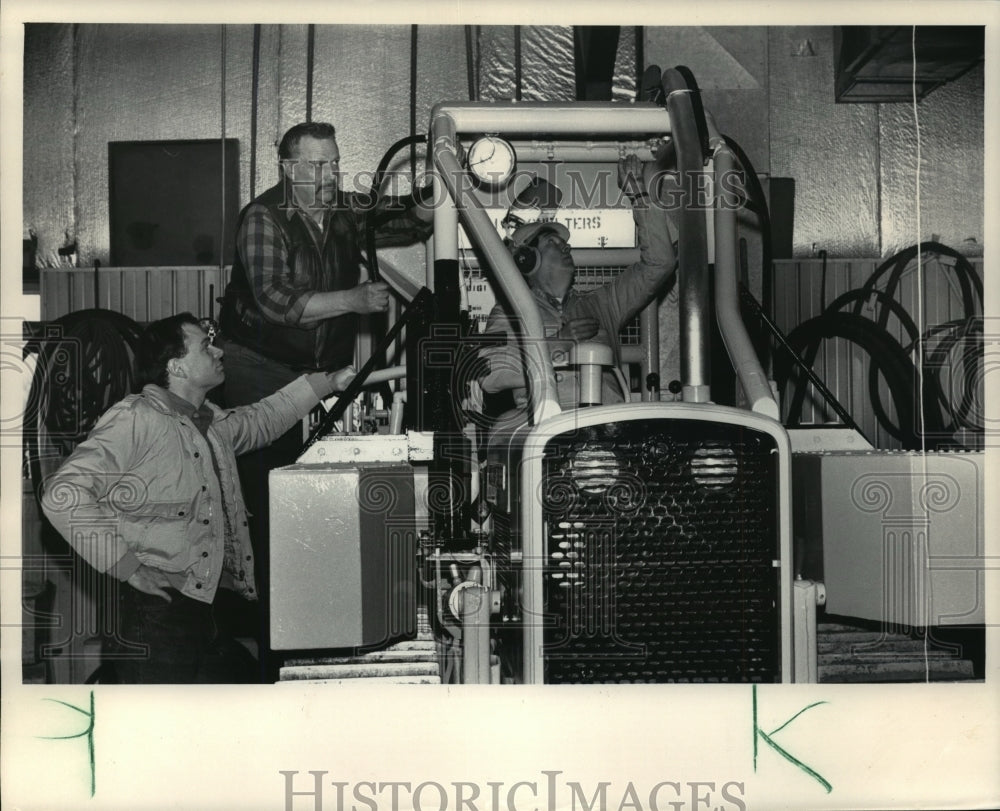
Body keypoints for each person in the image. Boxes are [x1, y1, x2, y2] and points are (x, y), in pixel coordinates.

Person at [217, 121, 433, 672]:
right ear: (288, 170)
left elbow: (401, 218)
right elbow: (274, 301)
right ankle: (276, 655)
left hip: (316, 375)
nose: (330, 175)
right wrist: (352, 299)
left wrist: (433, 202)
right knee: (272, 513)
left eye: (335, 163)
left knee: (312, 505)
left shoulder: (339, 207)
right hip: (259, 372)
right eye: (316, 166)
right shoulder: (263, 217)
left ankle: (322, 635)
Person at [40, 313, 354, 683]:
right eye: (205, 345)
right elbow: (62, 495)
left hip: (208, 604)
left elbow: (261, 420)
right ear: (177, 366)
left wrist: (326, 383)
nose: (218, 351)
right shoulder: (138, 419)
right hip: (154, 611)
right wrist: (126, 566)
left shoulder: (208, 423)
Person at [479, 155, 678, 415]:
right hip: (546, 431)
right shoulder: (510, 313)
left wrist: (639, 195)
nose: (566, 247)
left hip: (607, 428)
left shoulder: (602, 303)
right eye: (552, 242)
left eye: (566, 244)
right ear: (528, 259)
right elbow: (490, 375)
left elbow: (659, 265)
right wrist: (560, 342)